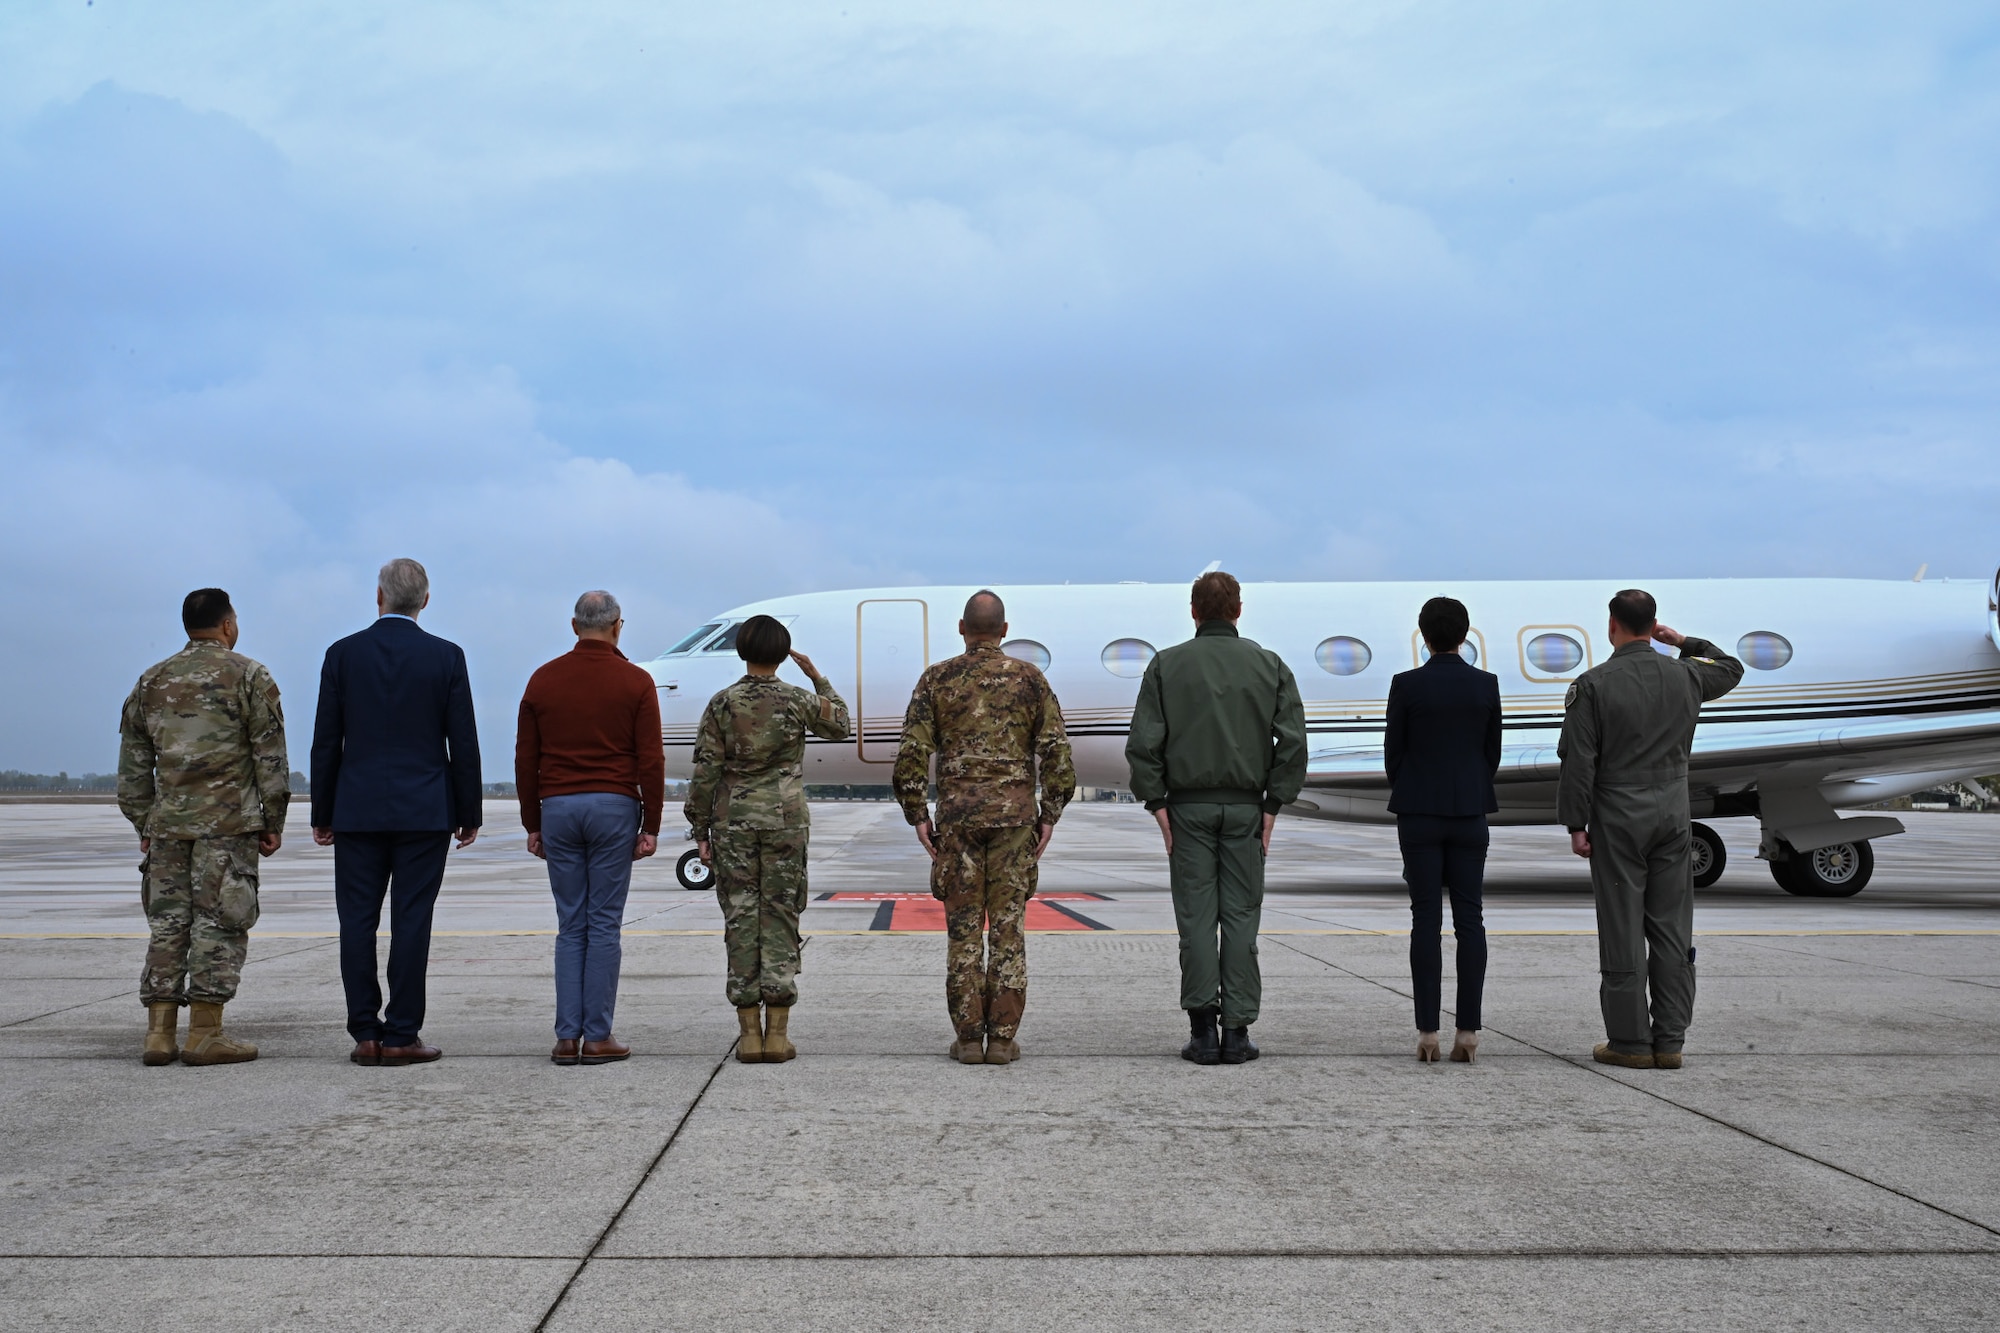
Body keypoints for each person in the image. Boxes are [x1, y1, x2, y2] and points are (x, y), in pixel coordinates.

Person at [1126, 571, 1307, 1066]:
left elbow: (1144, 744)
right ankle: (1238, 1032)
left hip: (1187, 809)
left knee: (1197, 920)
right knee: (1242, 917)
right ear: (1239, 610)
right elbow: (1292, 742)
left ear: (1193, 611)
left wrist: (1157, 804)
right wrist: (1273, 805)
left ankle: (1203, 1031)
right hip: (1246, 808)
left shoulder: (1167, 666)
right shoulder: (1269, 665)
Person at [1558, 589, 1743, 1070]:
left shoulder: (1593, 684)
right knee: (1671, 928)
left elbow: (1579, 763)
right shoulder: (1686, 674)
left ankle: (1630, 1042)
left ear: (1612, 625)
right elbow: (1731, 668)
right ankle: (1671, 1040)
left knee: (1622, 925)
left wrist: (1576, 824)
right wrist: (1682, 640)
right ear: (1653, 624)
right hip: (1672, 813)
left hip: (1618, 817)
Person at [310, 558, 482, 1067]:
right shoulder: (446, 656)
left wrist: (324, 810)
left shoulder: (342, 654)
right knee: (412, 921)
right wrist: (467, 809)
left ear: (378, 596)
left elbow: (326, 742)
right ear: (425, 601)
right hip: (425, 811)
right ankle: (402, 1033)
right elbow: (463, 741)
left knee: (356, 923)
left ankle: (365, 1032)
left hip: (357, 810)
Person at [893, 590, 1076, 1066]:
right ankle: (1002, 1039)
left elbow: (912, 752)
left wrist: (917, 814)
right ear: (1005, 630)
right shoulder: (1030, 679)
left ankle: (969, 1038)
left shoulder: (938, 679)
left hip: (957, 822)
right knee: (1009, 930)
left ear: (961, 628)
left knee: (964, 931)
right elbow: (1057, 752)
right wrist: (1049, 813)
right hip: (1015, 822)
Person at [117, 588, 289, 1067]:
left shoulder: (151, 681)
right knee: (220, 922)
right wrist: (272, 821)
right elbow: (269, 757)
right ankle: (206, 1033)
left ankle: (159, 1034)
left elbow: (133, 768)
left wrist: (144, 821)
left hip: (168, 826)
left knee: (168, 926)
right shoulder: (249, 676)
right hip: (228, 826)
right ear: (228, 624)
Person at [684, 614, 850, 1064]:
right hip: (784, 821)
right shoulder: (798, 700)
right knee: (780, 913)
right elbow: (841, 725)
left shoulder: (722, 703)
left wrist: (700, 829)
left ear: (741, 651)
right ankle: (778, 1034)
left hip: (733, 822)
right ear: (782, 654)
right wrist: (817, 677)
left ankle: (749, 1035)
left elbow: (706, 773)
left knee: (741, 916)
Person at [517, 590, 665, 1066]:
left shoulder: (543, 679)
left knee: (570, 924)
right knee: (603, 922)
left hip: (558, 806)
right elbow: (651, 760)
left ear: (574, 625)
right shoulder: (636, 681)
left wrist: (531, 821)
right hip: (613, 807)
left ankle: (566, 1037)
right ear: (618, 625)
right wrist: (652, 823)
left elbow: (526, 758)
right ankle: (597, 1035)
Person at [1385, 596, 1502, 1064]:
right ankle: (1468, 1033)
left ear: (1424, 635)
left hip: (1419, 812)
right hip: (1471, 811)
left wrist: (1415, 789)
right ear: (1465, 634)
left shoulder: (1406, 685)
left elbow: (1395, 752)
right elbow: (1490, 753)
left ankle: (1428, 1033)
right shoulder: (1486, 685)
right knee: (1470, 920)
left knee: (1425, 921)